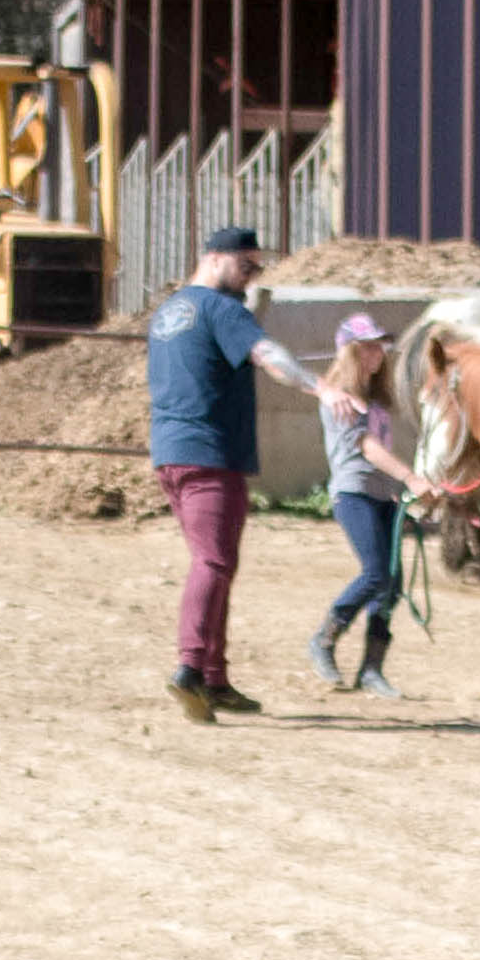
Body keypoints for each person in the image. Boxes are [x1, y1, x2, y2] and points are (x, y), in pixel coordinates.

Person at [146, 225, 348, 725]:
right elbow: (268, 355)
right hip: (210, 452)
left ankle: (214, 678)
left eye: (257, 268)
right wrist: (319, 388)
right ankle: (191, 668)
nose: (252, 277)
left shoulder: (167, 313)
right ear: (214, 258)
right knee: (212, 562)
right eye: (246, 266)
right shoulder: (221, 309)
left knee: (216, 561)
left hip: (172, 451)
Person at [307, 315, 428, 698]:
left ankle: (372, 669)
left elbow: (382, 451)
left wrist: (399, 489)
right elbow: (367, 448)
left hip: (382, 495)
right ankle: (324, 639)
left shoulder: (376, 401)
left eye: (380, 345)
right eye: (369, 346)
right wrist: (410, 478)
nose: (378, 352)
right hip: (353, 492)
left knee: (390, 585)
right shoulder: (341, 399)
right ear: (350, 352)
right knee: (376, 572)